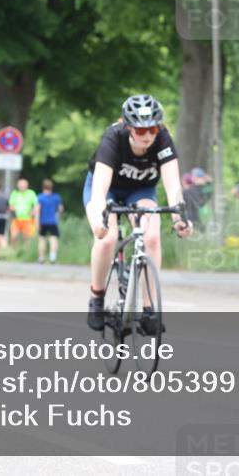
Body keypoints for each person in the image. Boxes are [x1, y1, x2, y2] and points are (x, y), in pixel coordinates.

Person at [83, 94, 192, 334]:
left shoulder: (163, 139)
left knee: (151, 236)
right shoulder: (113, 137)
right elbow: (99, 189)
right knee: (107, 238)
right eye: (141, 130)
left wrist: (179, 219)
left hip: (139, 190)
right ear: (128, 127)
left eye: (153, 129)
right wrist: (99, 220)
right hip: (107, 189)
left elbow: (173, 186)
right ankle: (97, 298)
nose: (148, 136)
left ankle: (149, 309)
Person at [36, 179, 64, 264]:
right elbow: (60, 209)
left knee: (42, 239)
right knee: (53, 239)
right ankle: (52, 257)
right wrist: (58, 216)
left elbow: (37, 210)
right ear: (52, 187)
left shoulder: (40, 197)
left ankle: (41, 258)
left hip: (43, 221)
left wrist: (37, 223)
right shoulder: (56, 197)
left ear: (43, 187)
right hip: (53, 221)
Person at [9, 178, 39, 253]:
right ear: (18, 186)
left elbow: (36, 205)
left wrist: (33, 211)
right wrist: (15, 209)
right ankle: (14, 251)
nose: (22, 187)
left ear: (27, 186)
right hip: (16, 219)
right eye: (21, 185)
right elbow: (11, 206)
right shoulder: (15, 193)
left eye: (23, 185)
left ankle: (26, 252)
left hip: (28, 219)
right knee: (13, 236)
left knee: (27, 237)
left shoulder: (31, 193)